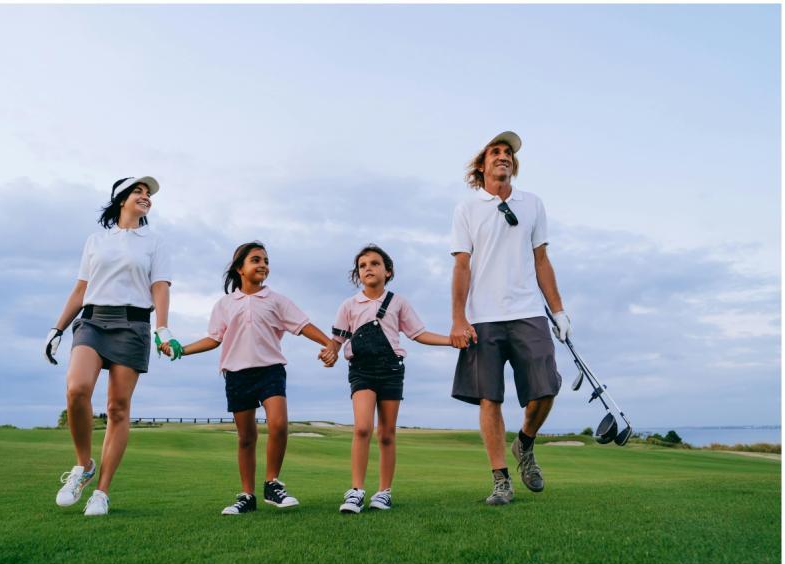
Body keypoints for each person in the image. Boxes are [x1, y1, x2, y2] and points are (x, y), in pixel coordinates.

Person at [160, 241, 336, 515]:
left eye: (266, 260)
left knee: (278, 424)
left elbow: (302, 326)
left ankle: (272, 483)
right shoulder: (225, 304)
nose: (263, 264)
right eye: (256, 259)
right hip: (236, 374)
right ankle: (247, 496)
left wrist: (329, 343)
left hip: (270, 370)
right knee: (246, 437)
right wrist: (181, 350)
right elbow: (214, 338)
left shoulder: (277, 300)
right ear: (239, 268)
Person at [44, 176, 180, 516]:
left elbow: (160, 287)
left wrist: (162, 328)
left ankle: (101, 492)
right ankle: (83, 466)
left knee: (118, 408)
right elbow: (80, 288)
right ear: (121, 199)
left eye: (149, 194)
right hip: (92, 321)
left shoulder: (155, 242)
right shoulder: (96, 240)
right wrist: (57, 328)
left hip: (133, 324)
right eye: (139, 191)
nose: (145, 197)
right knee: (77, 389)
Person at [449, 131, 571, 506]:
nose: (503, 156)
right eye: (496, 152)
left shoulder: (532, 203)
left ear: (513, 165)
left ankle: (526, 444)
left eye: (508, 153)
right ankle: (501, 480)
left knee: (546, 387)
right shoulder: (467, 209)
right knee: (490, 398)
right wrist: (458, 318)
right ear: (482, 165)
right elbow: (462, 265)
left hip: (529, 311)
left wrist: (560, 310)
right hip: (484, 317)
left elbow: (542, 260)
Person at [324, 244, 451, 514]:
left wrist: (451, 341)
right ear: (358, 275)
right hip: (361, 370)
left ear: (388, 271)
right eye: (362, 265)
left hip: (391, 369)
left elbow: (419, 333)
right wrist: (330, 353)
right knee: (362, 428)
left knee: (386, 433)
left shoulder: (399, 302)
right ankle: (356, 491)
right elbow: (336, 340)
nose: (368, 268)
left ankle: (384, 492)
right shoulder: (349, 305)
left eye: (374, 263)